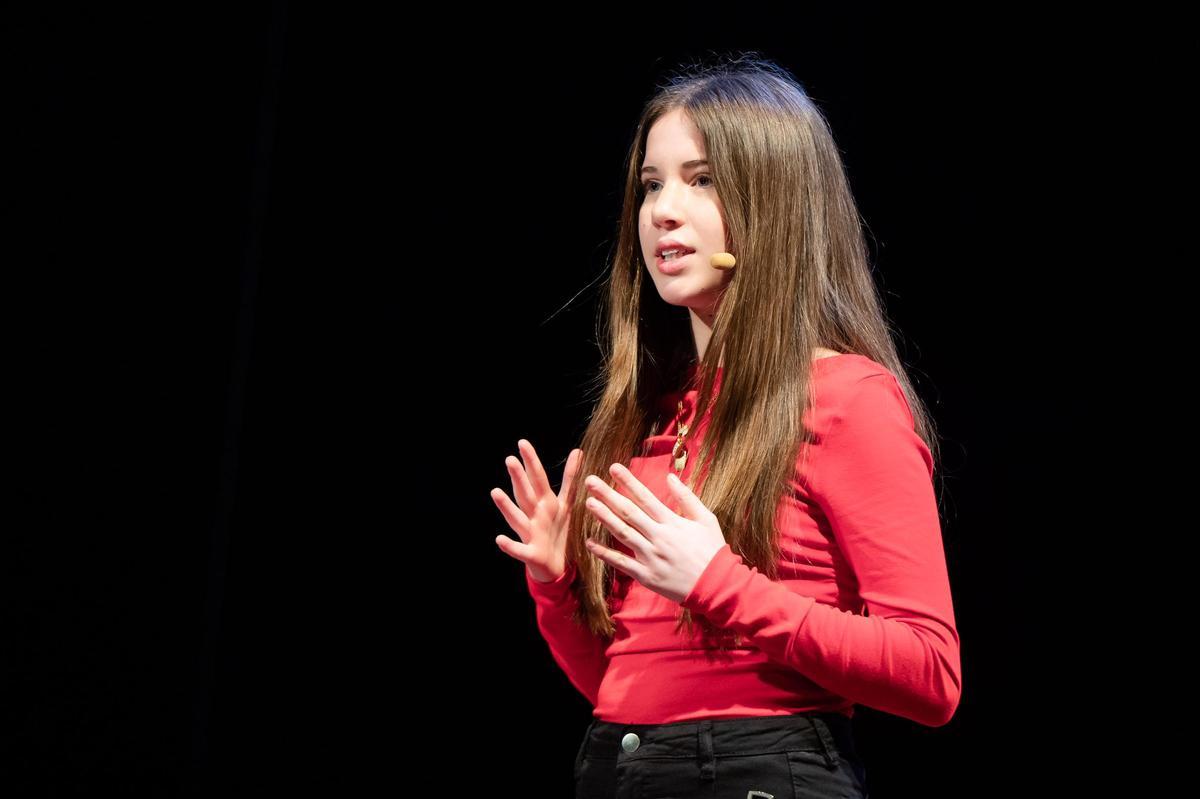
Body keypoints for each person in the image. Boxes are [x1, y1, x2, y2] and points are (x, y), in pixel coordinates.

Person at [490, 53, 961, 799]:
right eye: (651, 184)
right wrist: (557, 589)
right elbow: (624, 689)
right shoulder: (653, 408)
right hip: (619, 766)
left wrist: (718, 582)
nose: (662, 210)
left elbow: (930, 672)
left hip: (759, 770)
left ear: (772, 201)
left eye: (700, 180)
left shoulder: (847, 397)